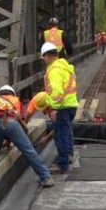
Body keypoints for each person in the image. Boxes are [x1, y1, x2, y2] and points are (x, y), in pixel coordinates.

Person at [0, 83, 54, 187]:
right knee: (28, 151)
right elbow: (19, 119)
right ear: (12, 93)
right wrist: (14, 138)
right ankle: (46, 178)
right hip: (11, 123)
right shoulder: (16, 101)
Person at [39, 42, 79, 174]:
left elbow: (57, 92)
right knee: (67, 132)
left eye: (43, 57)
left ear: (48, 56)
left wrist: (52, 107)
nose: (44, 60)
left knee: (61, 136)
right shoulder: (66, 67)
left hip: (61, 106)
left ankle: (62, 164)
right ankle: (69, 155)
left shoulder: (54, 70)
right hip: (71, 104)